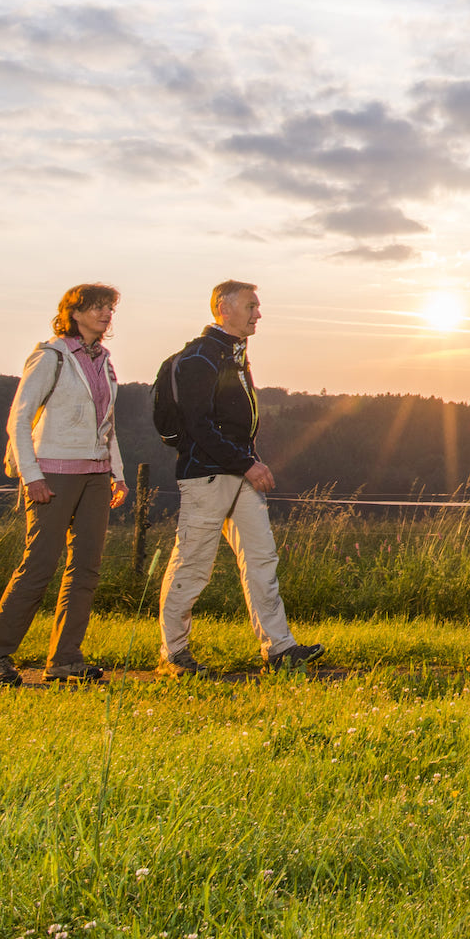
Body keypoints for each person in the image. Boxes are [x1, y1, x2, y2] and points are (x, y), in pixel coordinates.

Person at [156, 279, 325, 675]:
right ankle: (174, 653)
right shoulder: (199, 359)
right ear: (223, 308)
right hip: (207, 477)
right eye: (251, 306)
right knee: (193, 564)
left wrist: (249, 460)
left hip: (240, 473)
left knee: (262, 558)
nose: (258, 314)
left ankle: (279, 649)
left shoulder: (233, 356)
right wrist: (246, 463)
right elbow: (198, 426)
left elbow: (234, 423)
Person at [0, 283, 130, 687]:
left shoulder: (105, 361)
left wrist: (118, 474)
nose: (106, 314)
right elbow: (18, 420)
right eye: (97, 307)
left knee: (86, 570)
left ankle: (65, 660)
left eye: (109, 308)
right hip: (53, 475)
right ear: (74, 313)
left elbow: (107, 423)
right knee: (38, 566)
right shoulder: (50, 356)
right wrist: (33, 477)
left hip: (96, 476)